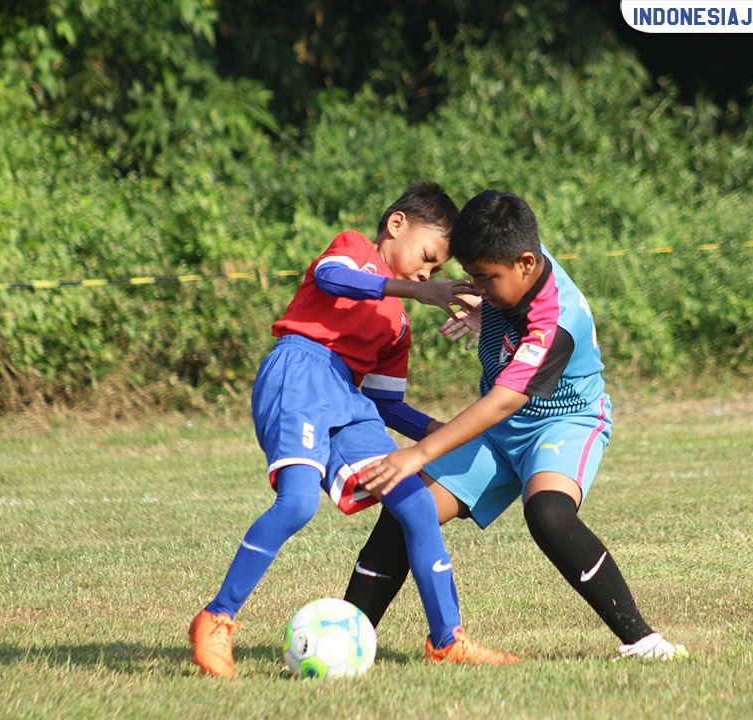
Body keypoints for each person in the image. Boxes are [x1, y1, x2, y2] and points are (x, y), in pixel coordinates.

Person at [189, 181, 519, 678]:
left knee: (416, 504)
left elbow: (386, 404)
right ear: (397, 224)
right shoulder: (354, 250)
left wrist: (442, 430)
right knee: (297, 504)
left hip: (348, 397)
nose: (427, 274)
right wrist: (415, 290)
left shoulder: (398, 325)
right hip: (300, 371)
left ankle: (447, 639)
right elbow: (331, 278)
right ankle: (217, 617)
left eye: (436, 272)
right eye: (428, 258)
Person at [345, 189, 689, 662]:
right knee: (408, 509)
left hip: (563, 422)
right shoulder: (510, 253)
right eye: (471, 277)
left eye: (485, 280)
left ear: (527, 264)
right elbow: (500, 294)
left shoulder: (557, 319)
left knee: (548, 514)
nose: (477, 289)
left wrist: (418, 452)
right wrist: (487, 306)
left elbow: (503, 401)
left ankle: (644, 641)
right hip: (501, 425)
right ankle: (345, 637)